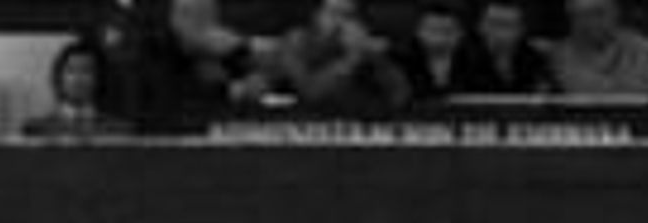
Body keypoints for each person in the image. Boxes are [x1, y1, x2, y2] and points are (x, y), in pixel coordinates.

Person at [134, 0, 269, 130]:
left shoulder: (233, 52)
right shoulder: (156, 48)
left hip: (216, 126)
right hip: (168, 127)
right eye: (184, 13)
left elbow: (256, 86)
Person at [274, 0, 410, 110]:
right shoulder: (297, 40)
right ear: (317, 15)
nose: (340, 23)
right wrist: (351, 58)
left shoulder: (362, 45)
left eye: (347, 16)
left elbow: (401, 96)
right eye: (333, 13)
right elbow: (310, 93)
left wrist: (378, 60)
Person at [548, 0, 648, 97]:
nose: (591, 22)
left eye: (599, 13)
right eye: (581, 16)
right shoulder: (561, 55)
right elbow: (580, 90)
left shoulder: (637, 46)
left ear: (615, 12)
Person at [22, 36, 132, 136]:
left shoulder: (118, 131)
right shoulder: (36, 130)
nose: (77, 79)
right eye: (71, 71)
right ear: (59, 77)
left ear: (98, 78)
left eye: (86, 71)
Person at [460, 0, 552, 94]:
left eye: (506, 26)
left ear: (521, 30)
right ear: (480, 27)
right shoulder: (462, 57)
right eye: (493, 24)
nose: (499, 34)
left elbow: (551, 94)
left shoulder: (534, 60)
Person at [393, 0, 478, 100]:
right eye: (433, 31)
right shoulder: (399, 59)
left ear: (461, 34)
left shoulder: (474, 58)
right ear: (418, 31)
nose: (439, 40)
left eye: (447, 32)